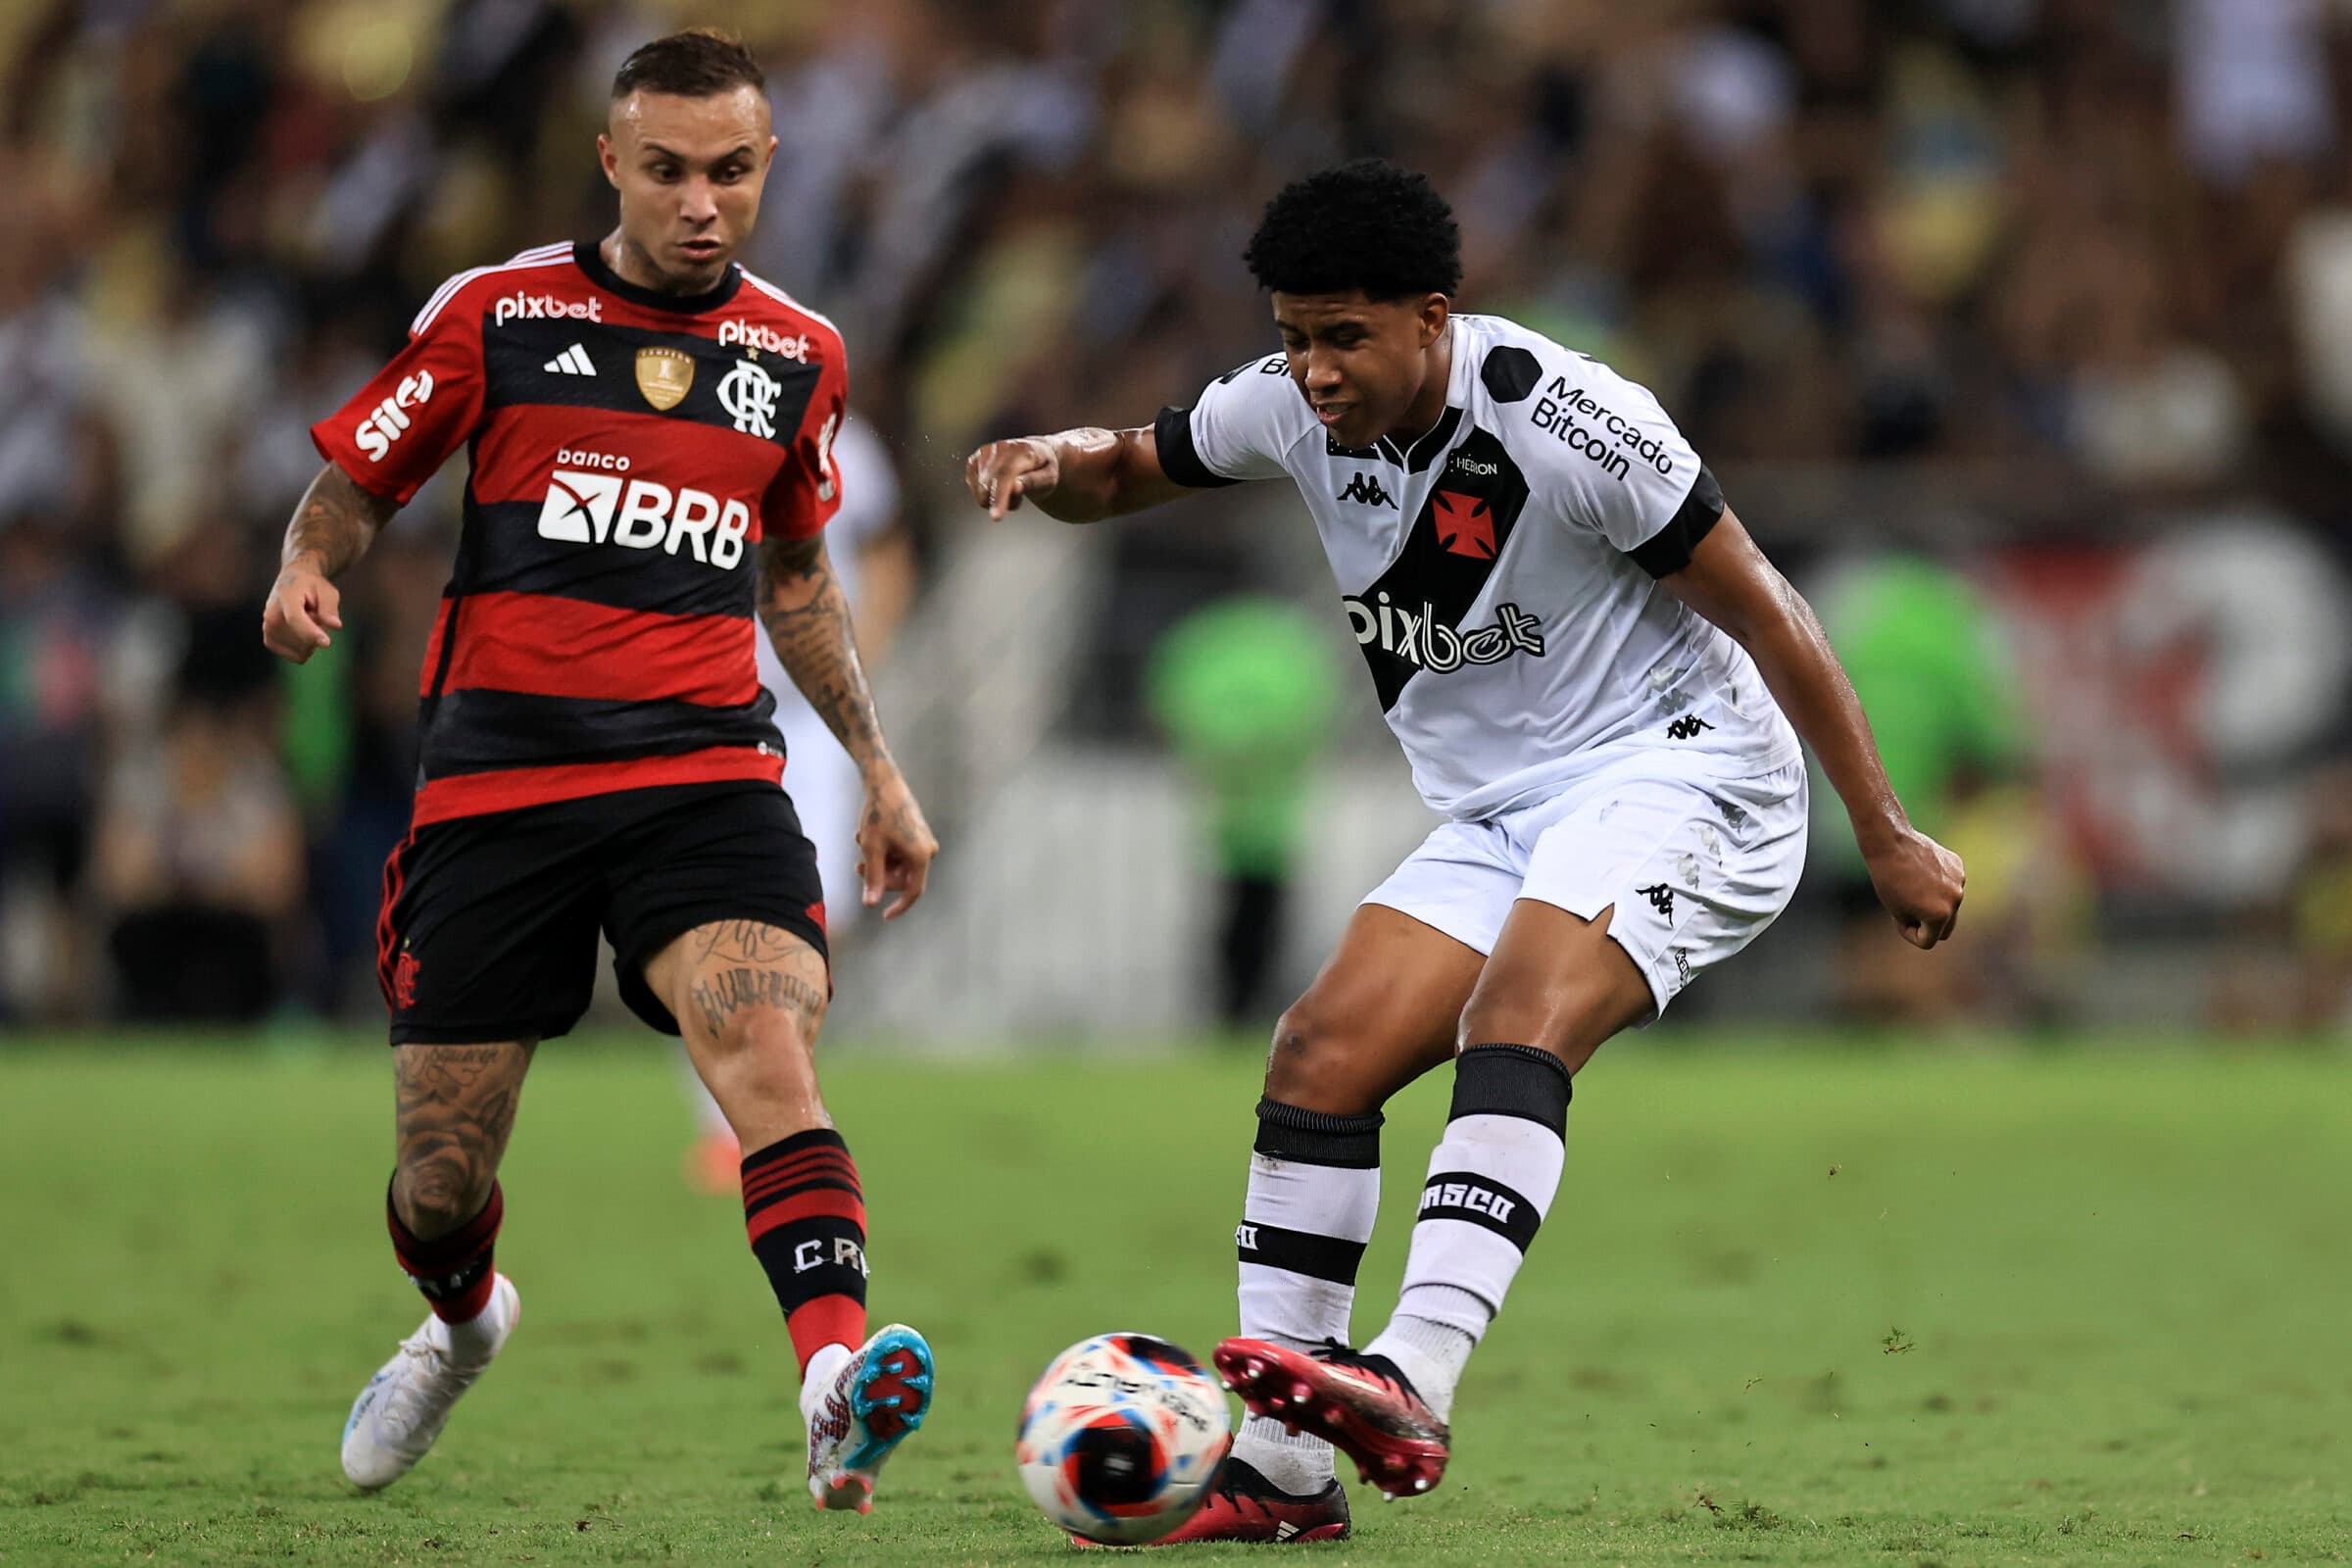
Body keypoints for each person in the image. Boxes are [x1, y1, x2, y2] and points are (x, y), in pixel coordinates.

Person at [965, 161, 1964, 1545]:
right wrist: (1051, 467)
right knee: (1321, 1051)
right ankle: (1282, 1473)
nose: (1312, 371)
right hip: (1507, 809)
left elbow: (1772, 610)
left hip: (1689, 769)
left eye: (1344, 337)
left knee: (1519, 1009)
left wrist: (1888, 829)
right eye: (1293, 335)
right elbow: (1131, 468)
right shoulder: (1283, 404)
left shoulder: (1573, 424)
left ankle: (1411, 1377)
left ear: (1433, 317)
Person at [261, 30, 940, 1516]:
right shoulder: (494, 315)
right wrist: (308, 566)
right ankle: (460, 1325)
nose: (704, 203)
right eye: (672, 171)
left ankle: (833, 1383)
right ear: (614, 163)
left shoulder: (797, 357)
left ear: (769, 166)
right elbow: (357, 480)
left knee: (768, 1050)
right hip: (500, 784)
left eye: (734, 172)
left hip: (704, 777)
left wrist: (877, 772)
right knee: (439, 1179)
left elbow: (801, 581)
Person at [685, 413, 915, 1192]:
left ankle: (777, 1100)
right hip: (709, 714)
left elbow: (886, 546)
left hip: (810, 721)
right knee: (710, 917)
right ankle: (733, 1127)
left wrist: (865, 646)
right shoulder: (687, 433)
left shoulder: (840, 440)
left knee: (820, 919)